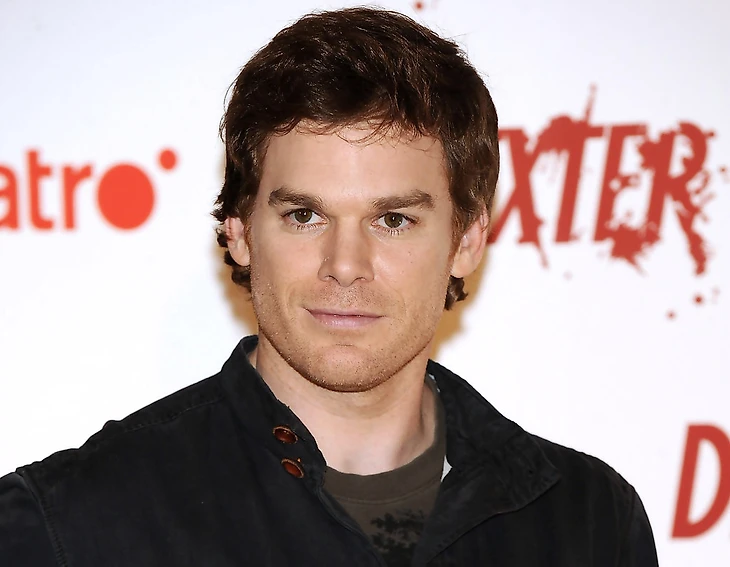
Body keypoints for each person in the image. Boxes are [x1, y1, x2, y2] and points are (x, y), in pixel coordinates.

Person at [0, 7, 658, 566]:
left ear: (466, 240)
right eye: (304, 215)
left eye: (393, 219)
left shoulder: (589, 522)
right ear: (239, 232)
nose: (345, 264)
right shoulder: (69, 526)